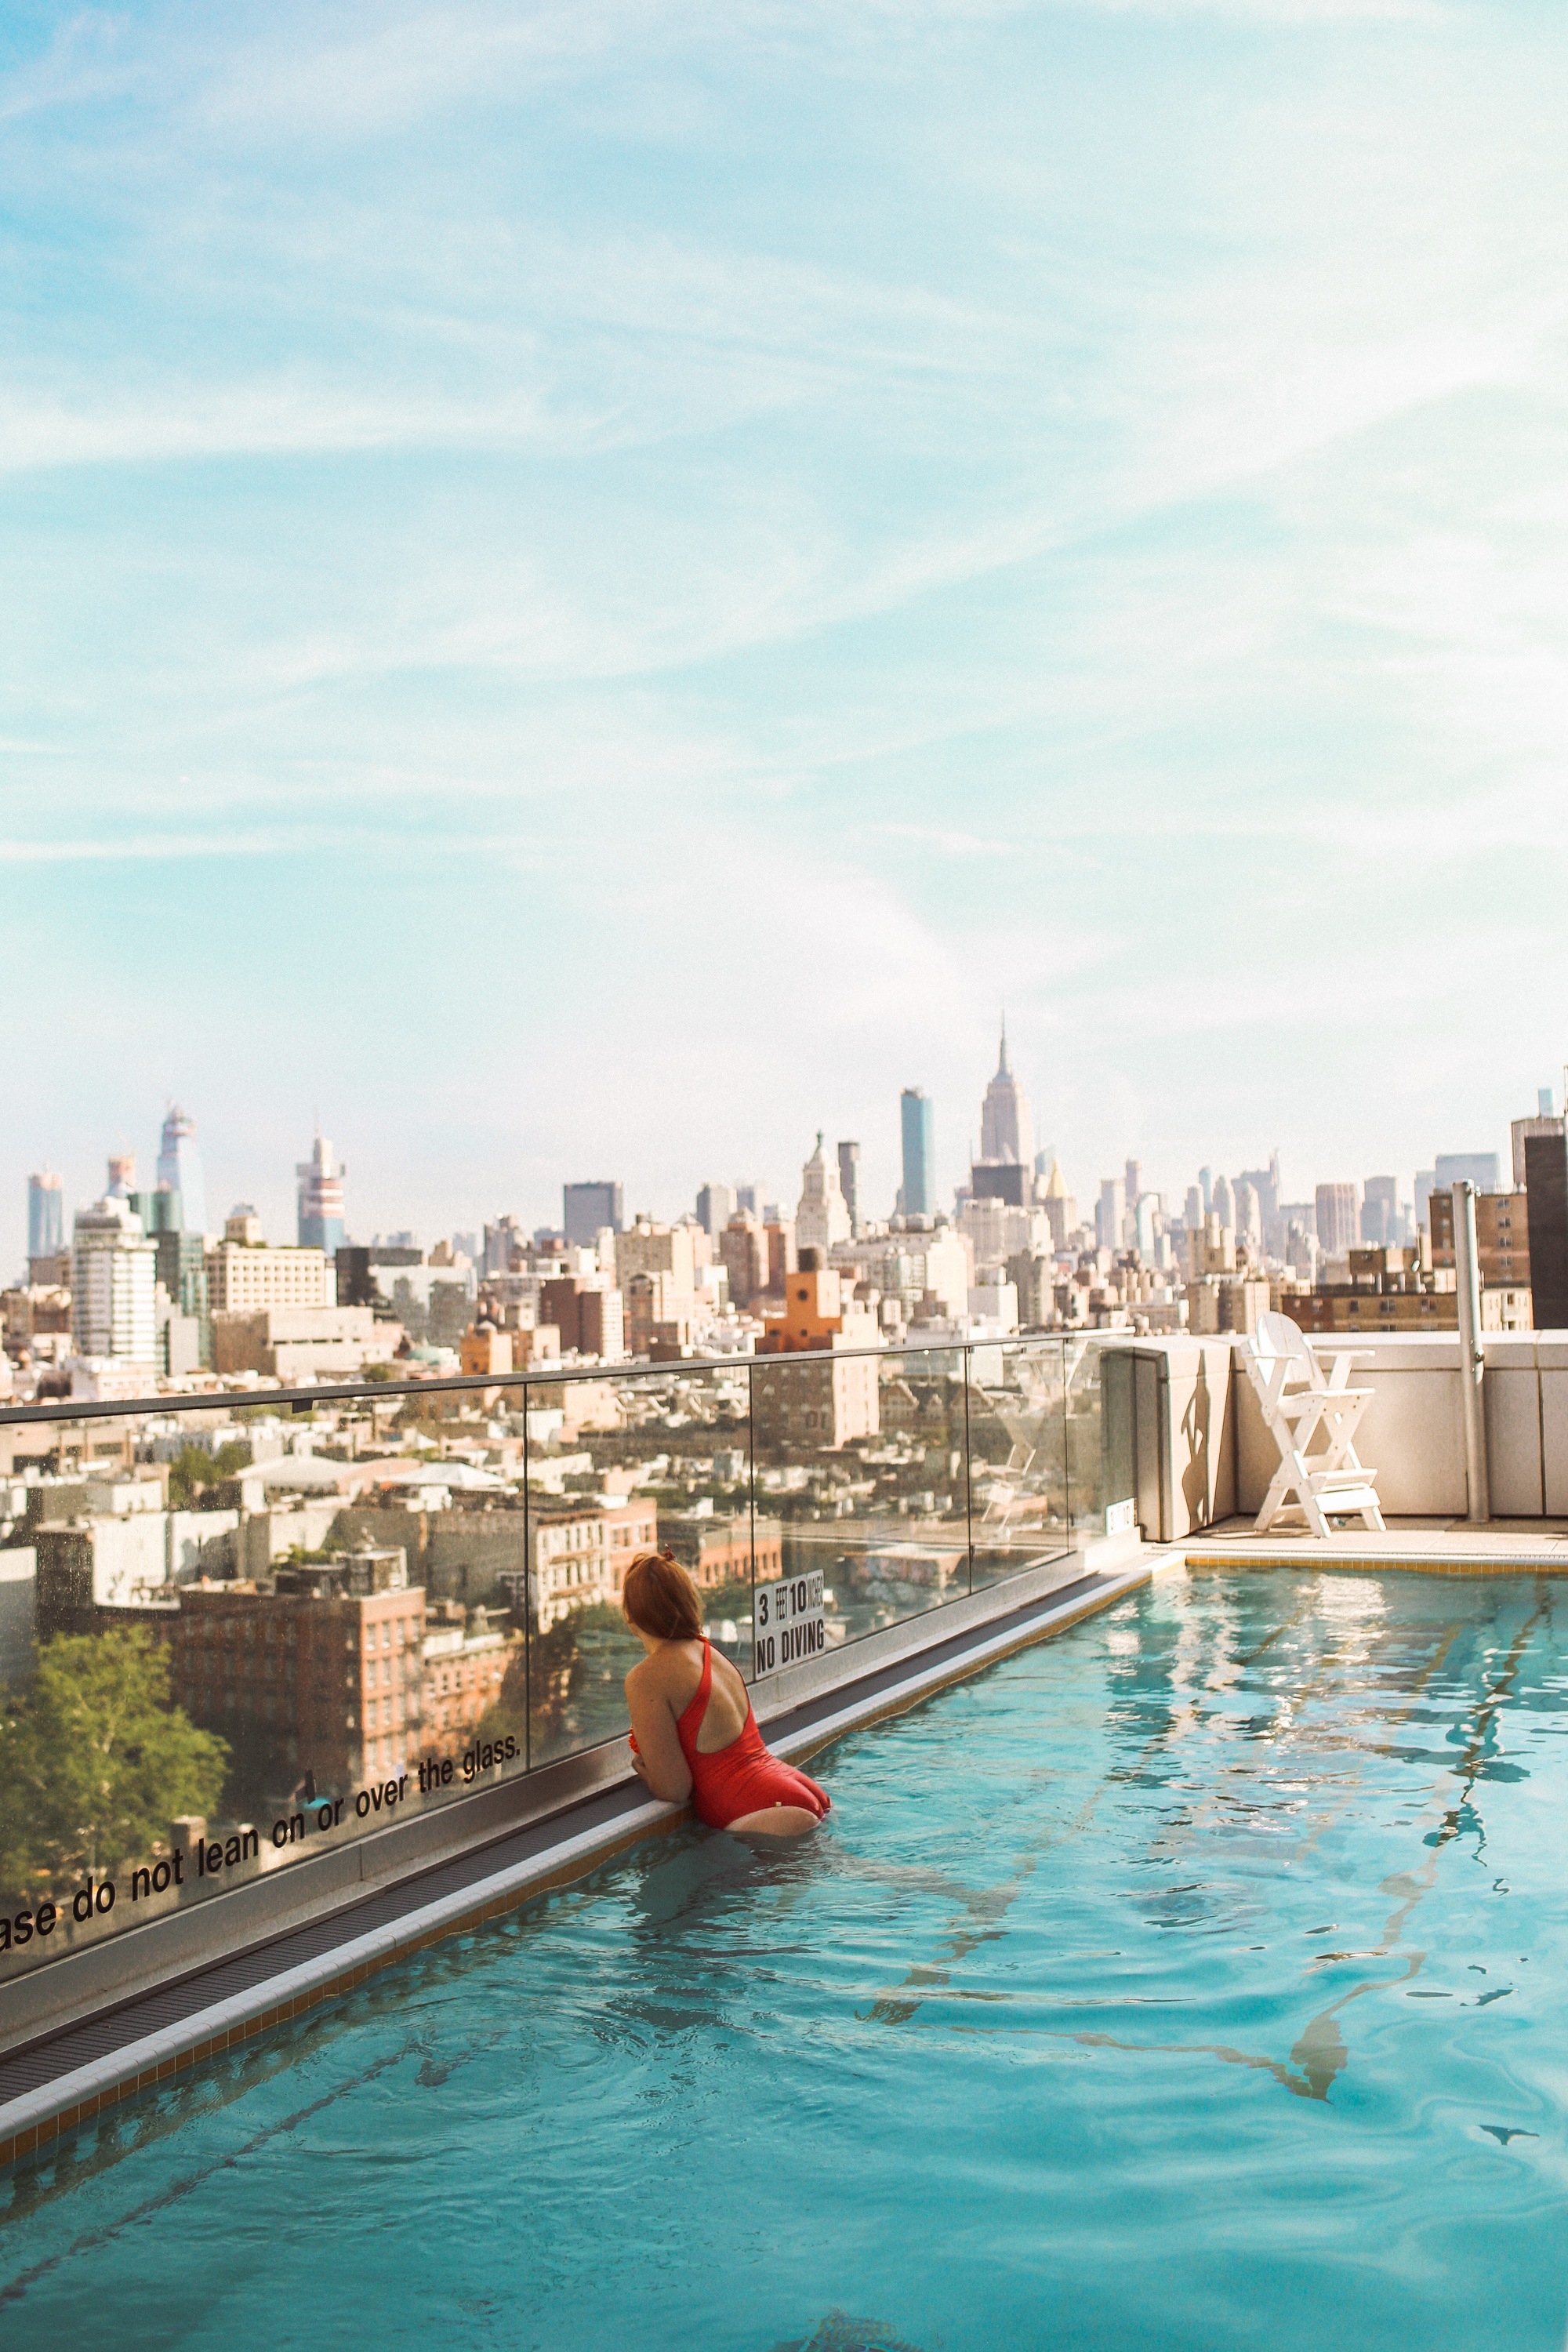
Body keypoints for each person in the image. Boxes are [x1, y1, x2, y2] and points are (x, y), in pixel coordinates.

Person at [622, 1550, 830, 1837]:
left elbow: (675, 1789)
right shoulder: (711, 1653)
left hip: (763, 1809)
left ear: (630, 1616)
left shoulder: (645, 1678)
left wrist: (642, 1769)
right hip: (794, 1790)